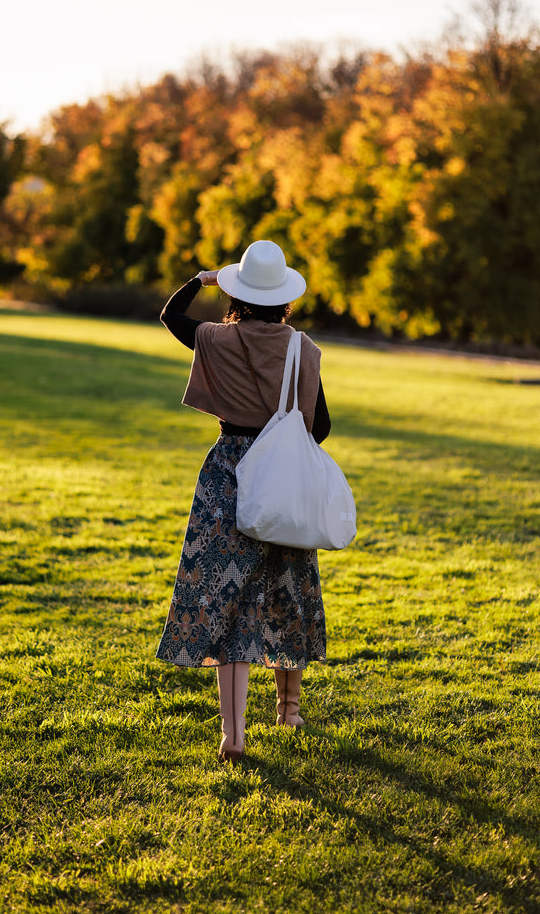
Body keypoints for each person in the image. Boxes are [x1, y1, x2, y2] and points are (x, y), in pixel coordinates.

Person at [155, 240, 331, 763]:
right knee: (288, 588)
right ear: (284, 298)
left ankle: (233, 735)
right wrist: (283, 439)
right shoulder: (303, 349)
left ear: (237, 291)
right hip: (282, 477)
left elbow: (170, 314)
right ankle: (290, 708)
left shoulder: (213, 338)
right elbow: (320, 427)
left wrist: (206, 279)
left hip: (225, 478)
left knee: (229, 606)